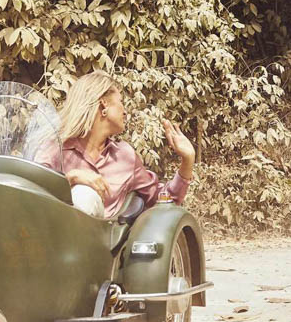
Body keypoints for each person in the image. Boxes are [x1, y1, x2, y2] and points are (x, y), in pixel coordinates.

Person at [40, 71, 195, 221]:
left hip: (101, 243)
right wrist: (71, 178)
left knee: (85, 195)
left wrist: (187, 160)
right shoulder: (55, 149)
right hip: (51, 238)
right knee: (83, 193)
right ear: (104, 105)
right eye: (120, 102)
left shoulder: (125, 156)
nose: (125, 111)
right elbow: (30, 191)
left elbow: (163, 202)